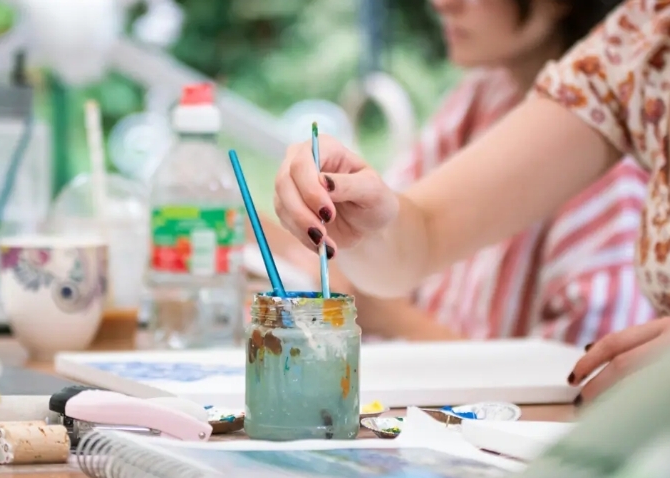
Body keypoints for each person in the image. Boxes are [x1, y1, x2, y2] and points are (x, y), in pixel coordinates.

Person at [273, 0, 670, 405]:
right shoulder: (635, 47)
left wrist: (388, 313)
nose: (442, 3)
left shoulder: (614, 188)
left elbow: (581, 379)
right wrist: (361, 216)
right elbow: (420, 233)